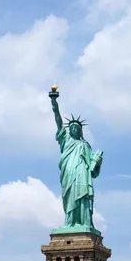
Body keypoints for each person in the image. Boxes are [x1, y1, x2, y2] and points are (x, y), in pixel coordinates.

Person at [50, 88, 103, 231]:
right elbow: (58, 121)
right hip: (68, 172)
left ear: (80, 131)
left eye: (76, 128)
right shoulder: (65, 140)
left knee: (82, 196)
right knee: (69, 196)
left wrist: (97, 161)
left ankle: (84, 223)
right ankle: (70, 222)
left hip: (82, 174)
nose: (73, 129)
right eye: (71, 127)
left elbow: (93, 168)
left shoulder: (85, 145)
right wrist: (54, 102)